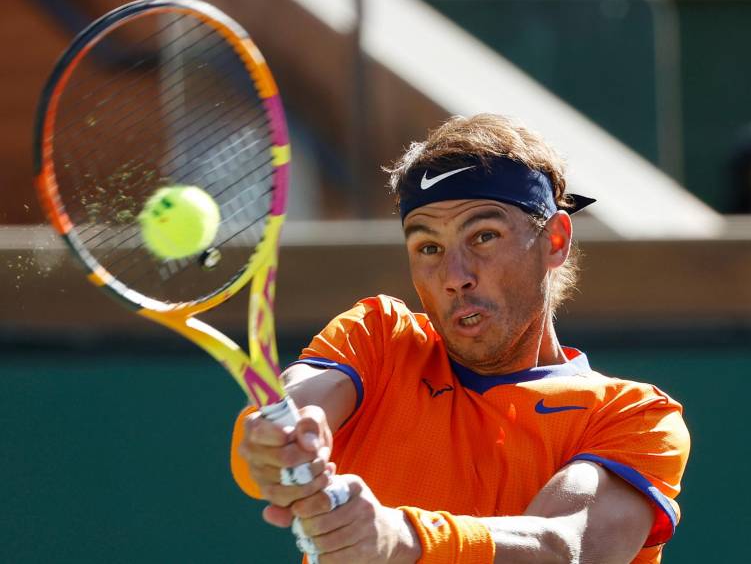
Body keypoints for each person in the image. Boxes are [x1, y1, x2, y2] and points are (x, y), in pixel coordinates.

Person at [231, 114, 690, 563]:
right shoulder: (376, 336)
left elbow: (569, 547)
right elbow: (301, 399)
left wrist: (403, 538)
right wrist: (278, 442)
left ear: (554, 240)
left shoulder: (634, 416)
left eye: (483, 236)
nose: (455, 277)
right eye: (429, 248)